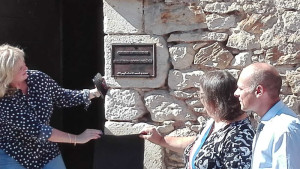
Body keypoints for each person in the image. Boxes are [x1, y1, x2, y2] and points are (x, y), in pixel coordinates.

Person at [0, 44, 103, 169]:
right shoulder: (3, 101)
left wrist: (95, 92)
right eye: (20, 68)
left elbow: (62, 96)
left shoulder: (37, 78)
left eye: (24, 64)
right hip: (15, 155)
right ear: (7, 74)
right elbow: (39, 130)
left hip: (47, 152)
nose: (26, 68)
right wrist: (77, 138)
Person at [140, 70, 255, 169]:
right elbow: (200, 144)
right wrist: (160, 140)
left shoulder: (239, 138)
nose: (201, 101)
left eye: (201, 96)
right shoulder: (217, 121)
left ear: (213, 102)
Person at [234, 62, 300, 169]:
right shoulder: (269, 124)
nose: (236, 93)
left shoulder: (284, 130)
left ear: (259, 91)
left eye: (241, 88)